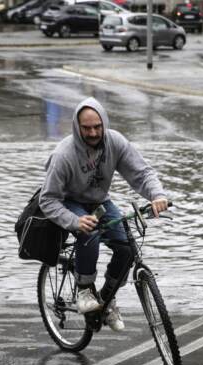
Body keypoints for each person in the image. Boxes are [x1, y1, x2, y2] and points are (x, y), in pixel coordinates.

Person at [39, 97, 169, 332]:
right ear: (77, 127)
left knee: (127, 248)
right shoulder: (63, 155)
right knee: (90, 232)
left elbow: (141, 173)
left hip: (99, 201)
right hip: (70, 202)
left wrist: (157, 196)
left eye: (97, 127)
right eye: (86, 128)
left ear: (104, 123)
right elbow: (47, 200)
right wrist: (74, 221)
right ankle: (84, 290)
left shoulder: (115, 142)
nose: (92, 132)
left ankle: (107, 300)